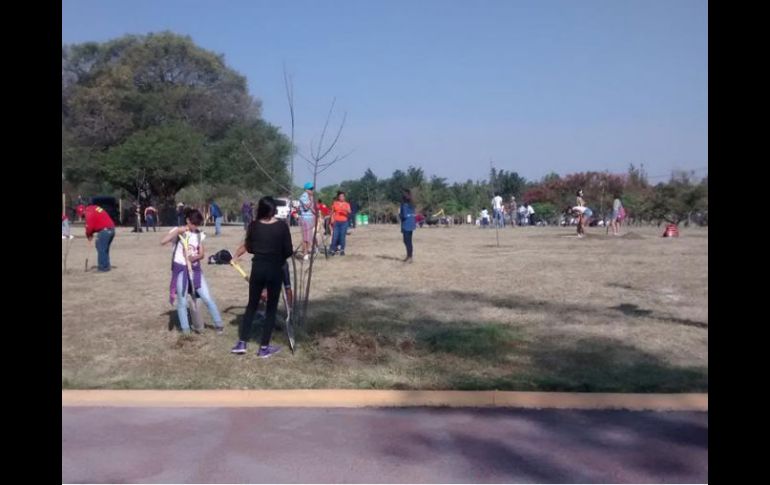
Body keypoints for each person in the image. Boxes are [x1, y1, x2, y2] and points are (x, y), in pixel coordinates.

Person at [231, 197, 294, 357]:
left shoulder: (253, 225)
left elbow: (250, 247)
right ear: (274, 210)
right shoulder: (282, 226)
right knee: (271, 308)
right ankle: (264, 347)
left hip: (258, 268)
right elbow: (288, 250)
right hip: (275, 269)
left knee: (251, 305)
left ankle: (242, 342)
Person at [161, 208, 224, 335]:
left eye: (197, 224)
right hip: (180, 270)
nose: (195, 227)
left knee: (207, 298)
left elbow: (202, 254)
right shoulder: (178, 231)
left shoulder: (199, 234)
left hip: (195, 270)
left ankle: (219, 324)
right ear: (187, 220)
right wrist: (178, 231)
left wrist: (194, 257)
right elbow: (162, 241)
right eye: (193, 224)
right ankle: (186, 331)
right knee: (182, 301)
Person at [85, 203, 116, 272]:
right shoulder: (95, 208)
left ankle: (103, 267)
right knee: (104, 249)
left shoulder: (89, 212)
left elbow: (89, 226)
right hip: (111, 229)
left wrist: (89, 235)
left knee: (101, 247)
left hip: (105, 230)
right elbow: (96, 222)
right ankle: (106, 265)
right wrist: (91, 234)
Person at [330, 191, 351, 256]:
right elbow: (332, 212)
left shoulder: (347, 204)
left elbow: (349, 212)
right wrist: (332, 219)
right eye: (340, 196)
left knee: (342, 236)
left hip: (344, 222)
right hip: (336, 222)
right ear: (338, 197)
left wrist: (346, 210)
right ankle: (333, 250)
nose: (342, 197)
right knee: (335, 236)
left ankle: (342, 250)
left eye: (343, 196)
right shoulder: (335, 203)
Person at [298, 183, 316, 259]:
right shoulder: (304, 196)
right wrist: (311, 200)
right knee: (306, 238)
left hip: (310, 218)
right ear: (306, 189)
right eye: (310, 189)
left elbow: (311, 208)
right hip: (305, 219)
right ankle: (305, 253)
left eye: (312, 189)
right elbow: (306, 207)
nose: (312, 190)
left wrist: (316, 213)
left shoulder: (309, 197)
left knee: (309, 237)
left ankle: (307, 252)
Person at [399, 190, 416, 263]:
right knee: (409, 241)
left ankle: (409, 257)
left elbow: (404, 216)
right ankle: (409, 256)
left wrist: (399, 215)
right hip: (411, 224)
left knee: (406, 241)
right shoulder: (412, 205)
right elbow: (413, 214)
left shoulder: (404, 205)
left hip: (406, 225)